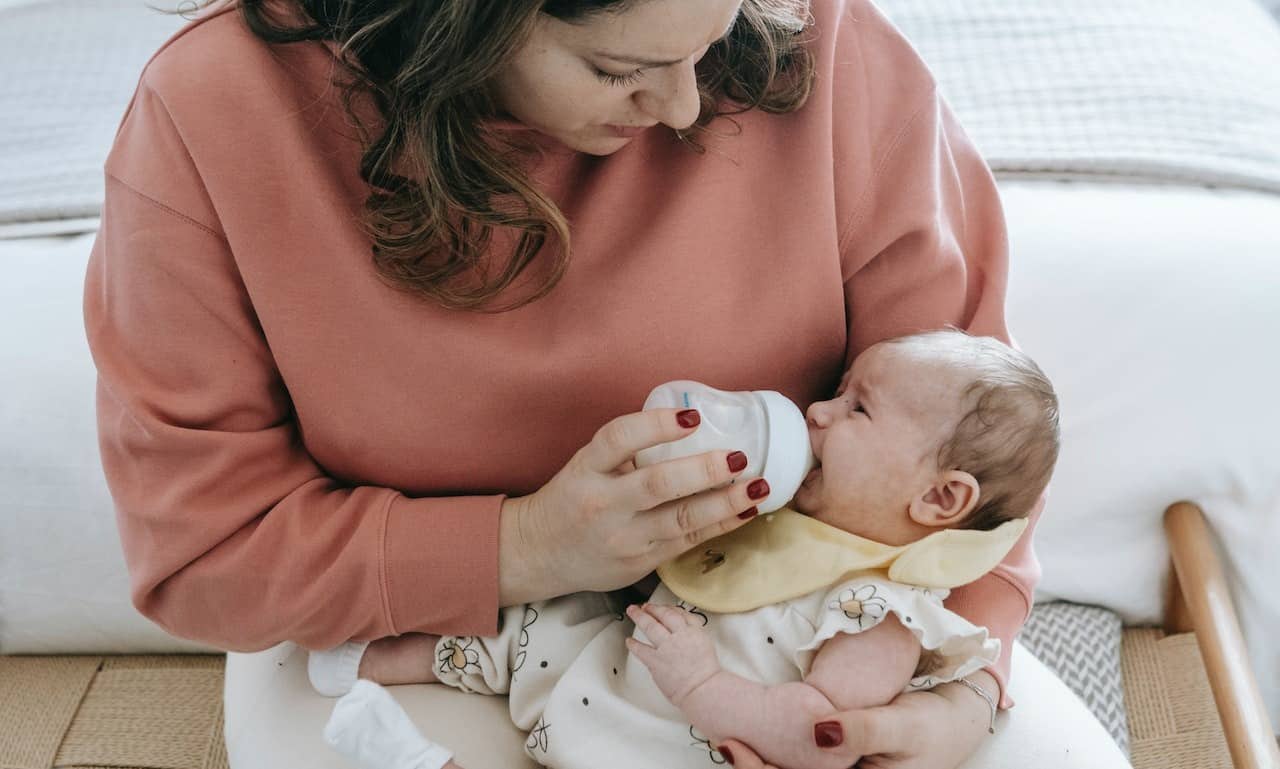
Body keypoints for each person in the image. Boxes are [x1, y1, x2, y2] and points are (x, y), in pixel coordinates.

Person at [81, 0, 1131, 766]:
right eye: (614, 63)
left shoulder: (824, 42)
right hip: (403, 631)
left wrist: (967, 677)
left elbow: (976, 439)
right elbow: (203, 554)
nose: (681, 107)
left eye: (709, 44)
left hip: (797, 625)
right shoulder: (218, 114)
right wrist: (527, 545)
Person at [312, 329, 1060, 769]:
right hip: (613, 664)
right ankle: (374, 656)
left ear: (940, 499)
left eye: (856, 407)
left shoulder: (883, 612)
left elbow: (818, 733)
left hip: (673, 739)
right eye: (836, 390)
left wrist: (702, 685)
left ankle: (415, 761)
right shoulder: (804, 515)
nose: (817, 412)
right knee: (544, 619)